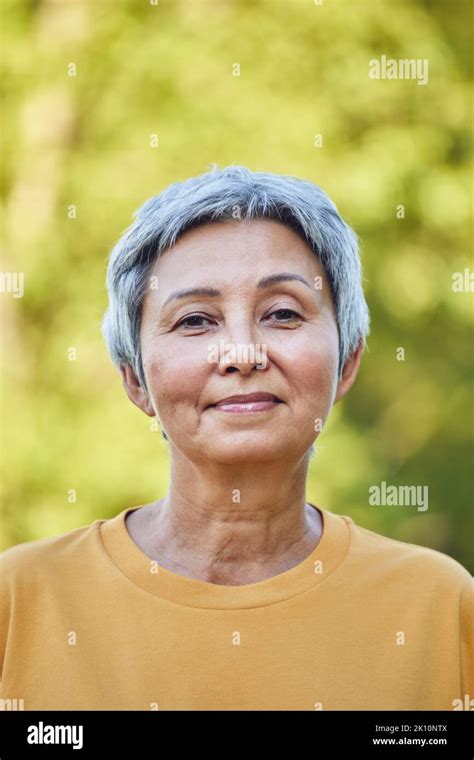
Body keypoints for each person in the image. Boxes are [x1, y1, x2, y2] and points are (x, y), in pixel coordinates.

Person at [0, 165, 472, 711]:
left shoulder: (437, 607)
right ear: (135, 378)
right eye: (196, 321)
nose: (243, 353)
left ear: (347, 362)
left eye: (282, 314)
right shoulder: (22, 601)